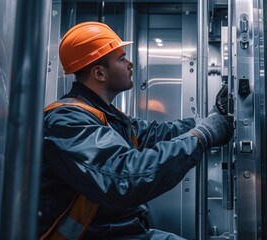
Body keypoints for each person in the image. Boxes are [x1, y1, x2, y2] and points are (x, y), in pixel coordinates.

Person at [39, 21, 233, 240]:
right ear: (99, 73)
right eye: (121, 59)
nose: (130, 64)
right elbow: (123, 177)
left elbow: (156, 135)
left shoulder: (108, 117)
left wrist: (208, 120)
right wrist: (202, 136)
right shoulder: (67, 122)